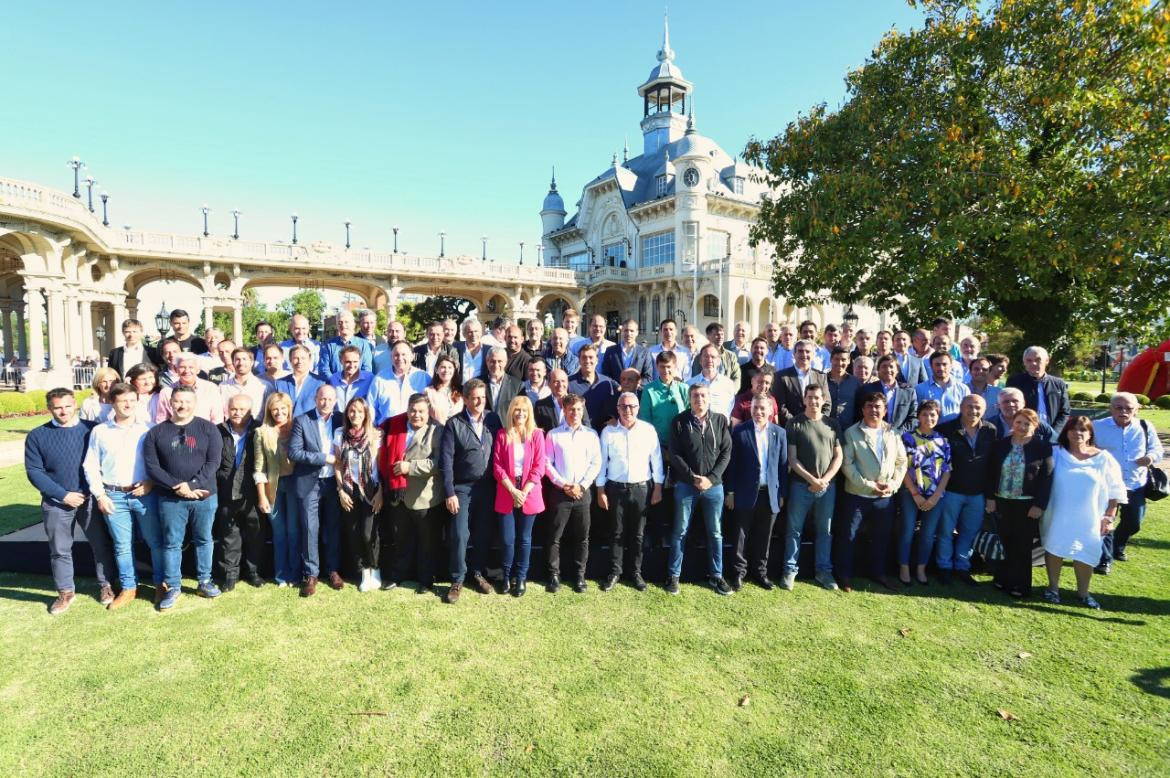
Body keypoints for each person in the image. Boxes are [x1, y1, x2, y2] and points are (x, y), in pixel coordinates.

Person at [25, 388, 117, 615]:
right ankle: (65, 591)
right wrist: (63, 494)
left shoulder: (92, 429)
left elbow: (102, 463)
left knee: (101, 544)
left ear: (74, 403)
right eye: (57, 407)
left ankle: (106, 585)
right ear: (49, 408)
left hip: (89, 499)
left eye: (67, 405)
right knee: (59, 549)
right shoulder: (37, 435)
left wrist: (89, 492)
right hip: (57, 502)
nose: (63, 411)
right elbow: (35, 471)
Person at [143, 384, 224, 609]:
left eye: (187, 401)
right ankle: (173, 587)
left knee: (204, 539)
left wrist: (193, 484)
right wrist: (178, 486)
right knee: (172, 543)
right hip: (171, 499)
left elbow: (213, 462)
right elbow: (152, 467)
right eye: (178, 401)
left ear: (195, 403)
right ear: (170, 403)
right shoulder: (156, 433)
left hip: (204, 496)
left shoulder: (208, 429)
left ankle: (204, 581)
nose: (182, 405)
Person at [84, 383, 160, 609]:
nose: (128, 405)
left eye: (132, 400)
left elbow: (159, 462)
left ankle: (161, 584)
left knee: (156, 542)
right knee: (122, 545)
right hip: (113, 496)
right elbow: (90, 466)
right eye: (122, 400)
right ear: (112, 402)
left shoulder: (149, 428)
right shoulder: (100, 431)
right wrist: (100, 495)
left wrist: (151, 482)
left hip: (145, 494)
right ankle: (129, 587)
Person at [1040, 416, 1125, 609]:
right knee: (1055, 547)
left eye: (1083, 430)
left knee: (1085, 550)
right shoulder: (1056, 453)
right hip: (1058, 512)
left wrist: (1109, 516)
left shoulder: (1104, 458)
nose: (1077, 433)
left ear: (1090, 434)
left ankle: (1083, 593)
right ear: (1066, 432)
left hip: (1090, 515)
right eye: (1073, 429)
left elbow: (1116, 490)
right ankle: (1053, 588)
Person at [440, 379, 504, 602]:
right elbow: (446, 461)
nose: (479, 402)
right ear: (465, 399)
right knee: (459, 534)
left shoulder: (493, 419)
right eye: (474, 397)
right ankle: (457, 578)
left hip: (488, 487)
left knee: (483, 533)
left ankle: (477, 573)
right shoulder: (453, 423)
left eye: (482, 397)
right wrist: (449, 492)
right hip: (462, 488)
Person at [667, 383, 733, 596]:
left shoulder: (720, 420)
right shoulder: (679, 421)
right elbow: (674, 454)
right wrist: (692, 477)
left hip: (714, 488)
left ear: (709, 398)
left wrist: (711, 478)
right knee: (680, 531)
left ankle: (716, 576)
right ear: (689, 398)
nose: (699, 399)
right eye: (695, 396)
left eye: (703, 395)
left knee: (715, 533)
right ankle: (673, 575)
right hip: (687, 486)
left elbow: (726, 452)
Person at [839, 392, 908, 592]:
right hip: (857, 495)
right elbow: (847, 464)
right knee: (848, 537)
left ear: (885, 410)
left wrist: (893, 485)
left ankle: (878, 573)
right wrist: (870, 485)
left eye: (878, 406)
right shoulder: (852, 433)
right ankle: (844, 575)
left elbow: (901, 462)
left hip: (885, 497)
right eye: (869, 406)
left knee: (882, 537)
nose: (874, 410)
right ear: (863, 409)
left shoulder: (893, 432)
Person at [596, 391, 663, 591]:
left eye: (632, 406)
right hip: (615, 488)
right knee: (616, 532)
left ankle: (635, 573)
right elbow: (601, 463)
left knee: (638, 534)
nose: (627, 410)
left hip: (642, 488)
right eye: (623, 406)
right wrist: (600, 490)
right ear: (617, 409)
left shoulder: (648, 430)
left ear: (638, 408)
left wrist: (658, 486)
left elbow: (656, 461)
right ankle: (615, 572)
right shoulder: (608, 432)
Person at [985, 408, 1054, 598]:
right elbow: (990, 474)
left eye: (1027, 423)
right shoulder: (1000, 445)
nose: (1022, 427)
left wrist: (1039, 505)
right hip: (1002, 501)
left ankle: (1020, 584)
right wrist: (990, 498)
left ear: (1035, 426)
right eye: (1018, 422)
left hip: (1027, 504)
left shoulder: (1042, 447)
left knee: (1022, 546)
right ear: (1012, 423)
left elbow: (1047, 478)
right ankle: (1001, 579)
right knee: (1004, 542)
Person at [380, 393, 443, 592]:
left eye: (421, 411)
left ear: (428, 412)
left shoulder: (437, 430)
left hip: (424, 496)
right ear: (407, 411)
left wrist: (411, 467)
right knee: (400, 539)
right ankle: (398, 575)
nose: (417, 415)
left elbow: (438, 462)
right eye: (413, 411)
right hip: (398, 495)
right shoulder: (394, 427)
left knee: (427, 541)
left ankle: (425, 580)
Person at [782, 385, 843, 590]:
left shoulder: (832, 424)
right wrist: (811, 479)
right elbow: (792, 458)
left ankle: (823, 572)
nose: (814, 401)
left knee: (824, 531)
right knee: (794, 530)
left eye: (818, 397)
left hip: (828, 487)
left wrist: (824, 479)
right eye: (810, 397)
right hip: (801, 486)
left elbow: (838, 456)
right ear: (804, 399)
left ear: (823, 399)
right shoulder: (794, 423)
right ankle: (790, 571)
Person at [1093, 392, 1163, 569]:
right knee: (1106, 520)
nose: (1123, 411)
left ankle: (1118, 545)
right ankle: (1104, 559)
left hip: (1135, 483)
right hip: (1107, 484)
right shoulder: (1097, 426)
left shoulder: (1145, 426)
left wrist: (1150, 457)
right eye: (1119, 407)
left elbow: (1157, 449)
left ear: (1137, 410)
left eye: (1129, 408)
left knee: (1134, 522)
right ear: (1111, 408)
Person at [287, 384, 344, 597]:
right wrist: (324, 458)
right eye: (322, 398)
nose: (326, 402)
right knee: (310, 528)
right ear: (315, 399)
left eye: (330, 399)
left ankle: (333, 570)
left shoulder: (341, 419)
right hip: (309, 482)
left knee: (332, 528)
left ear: (335, 401)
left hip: (333, 482)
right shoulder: (303, 420)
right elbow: (294, 452)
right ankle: (311, 574)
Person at [725, 395, 787, 591]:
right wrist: (731, 492)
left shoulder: (780, 433)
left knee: (764, 536)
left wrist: (782, 494)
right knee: (740, 536)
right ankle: (738, 574)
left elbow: (783, 467)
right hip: (744, 493)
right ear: (750, 409)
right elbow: (732, 465)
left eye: (762, 408)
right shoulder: (739, 431)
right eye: (755, 408)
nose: (758, 412)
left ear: (770, 411)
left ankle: (760, 573)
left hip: (770, 494)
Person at [935, 394, 998, 585]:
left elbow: (992, 465)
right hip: (951, 490)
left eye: (978, 407)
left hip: (977, 493)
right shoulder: (946, 429)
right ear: (961, 407)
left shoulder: (990, 430)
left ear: (984, 410)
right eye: (969, 406)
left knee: (969, 532)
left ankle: (962, 567)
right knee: (945, 531)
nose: (974, 411)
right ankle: (944, 567)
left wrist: (990, 496)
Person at [543, 394, 602, 593]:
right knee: (554, 536)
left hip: (583, 493)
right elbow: (547, 463)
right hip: (560, 493)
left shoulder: (591, 435)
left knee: (582, 537)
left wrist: (582, 485)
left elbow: (596, 463)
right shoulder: (553, 434)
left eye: (578, 409)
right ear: (564, 410)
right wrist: (563, 484)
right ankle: (553, 576)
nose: (575, 413)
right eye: (571, 409)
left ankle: (579, 576)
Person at [492, 396, 546, 597]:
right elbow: (497, 467)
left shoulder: (537, 435)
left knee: (524, 539)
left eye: (524, 410)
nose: (520, 414)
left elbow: (539, 466)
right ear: (511, 412)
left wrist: (523, 491)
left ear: (529, 413)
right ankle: (506, 576)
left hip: (529, 491)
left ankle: (521, 577)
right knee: (507, 539)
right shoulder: (502, 434)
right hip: (507, 489)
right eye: (517, 410)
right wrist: (513, 490)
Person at [897, 400, 951, 586]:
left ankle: (921, 568)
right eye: (925, 414)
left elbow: (947, 470)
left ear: (938, 417)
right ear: (919, 416)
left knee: (928, 534)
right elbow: (902, 467)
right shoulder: (907, 438)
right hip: (911, 493)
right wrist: (915, 493)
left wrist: (936, 496)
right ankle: (904, 568)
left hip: (935, 496)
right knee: (907, 531)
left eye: (933, 415)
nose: (929, 418)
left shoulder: (943, 441)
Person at [214, 393, 263, 591]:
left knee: (255, 535)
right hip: (226, 491)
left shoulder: (259, 430)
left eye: (242, 409)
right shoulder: (218, 431)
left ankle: (254, 572)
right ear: (228, 409)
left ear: (250, 411)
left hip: (252, 491)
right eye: (234, 409)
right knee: (228, 536)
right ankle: (230, 575)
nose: (238, 413)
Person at [334, 397, 384, 592]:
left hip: (371, 489)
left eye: (360, 412)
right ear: (347, 412)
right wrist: (340, 490)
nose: (355, 415)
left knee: (368, 533)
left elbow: (379, 466)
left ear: (366, 415)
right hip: (349, 488)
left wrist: (381, 492)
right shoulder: (340, 434)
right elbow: (338, 464)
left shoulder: (375, 435)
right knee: (354, 533)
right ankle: (364, 572)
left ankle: (376, 569)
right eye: (352, 411)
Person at [253, 392, 299, 587]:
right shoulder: (261, 432)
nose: (279, 413)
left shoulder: (298, 427)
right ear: (269, 411)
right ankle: (281, 575)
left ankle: (296, 575)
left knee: (294, 531)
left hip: (296, 486)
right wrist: (262, 496)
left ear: (289, 408)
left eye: (283, 408)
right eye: (275, 409)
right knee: (279, 533)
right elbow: (259, 468)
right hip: (274, 487)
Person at [1006, 346, 1071, 437]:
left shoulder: (1058, 384)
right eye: (1029, 360)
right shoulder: (1015, 382)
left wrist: (1054, 432)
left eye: (1038, 359)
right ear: (1024, 362)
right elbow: (1011, 408)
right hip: (1024, 433)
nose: (1033, 363)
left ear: (1047, 361)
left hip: (1052, 434)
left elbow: (1064, 412)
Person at [367, 340, 431, 424]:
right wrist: (373, 429)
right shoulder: (379, 379)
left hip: (415, 432)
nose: (400, 358)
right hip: (386, 431)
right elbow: (370, 407)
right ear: (391, 357)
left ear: (412, 356)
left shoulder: (424, 377)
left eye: (404, 354)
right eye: (396, 355)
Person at [156, 352, 224, 424]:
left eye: (191, 367)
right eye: (182, 367)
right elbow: (162, 421)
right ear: (176, 369)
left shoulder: (211, 388)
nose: (187, 371)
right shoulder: (167, 392)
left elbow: (217, 419)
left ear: (198, 370)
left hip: (205, 433)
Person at [772, 339, 830, 424]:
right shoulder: (781, 377)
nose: (804, 354)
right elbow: (781, 407)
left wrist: (817, 422)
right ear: (794, 354)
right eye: (800, 351)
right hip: (792, 428)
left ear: (813, 355)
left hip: (816, 426)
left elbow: (826, 404)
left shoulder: (821, 377)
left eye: (808, 351)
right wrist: (796, 424)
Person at [858, 354, 918, 432]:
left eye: (891, 366)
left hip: (900, 438)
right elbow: (860, 415)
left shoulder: (908, 392)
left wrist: (899, 433)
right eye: (884, 366)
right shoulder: (867, 390)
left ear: (897, 370)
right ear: (878, 370)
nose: (888, 370)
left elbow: (913, 418)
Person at [569, 344, 619, 432]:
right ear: (579, 360)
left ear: (597, 360)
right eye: (584, 357)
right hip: (578, 434)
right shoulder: (570, 383)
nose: (587, 361)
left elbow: (614, 408)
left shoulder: (607, 383)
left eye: (591, 357)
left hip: (603, 433)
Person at [915, 351, 969, 423]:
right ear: (931, 366)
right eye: (937, 364)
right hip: (931, 432)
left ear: (951, 365)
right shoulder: (920, 389)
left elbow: (967, 412)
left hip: (955, 432)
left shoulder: (963, 389)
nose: (941, 368)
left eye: (944, 364)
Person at [687, 344, 737, 419]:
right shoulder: (690, 384)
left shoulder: (728, 384)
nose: (709, 360)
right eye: (706, 356)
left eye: (713, 357)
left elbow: (730, 408)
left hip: (720, 427)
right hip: (696, 427)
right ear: (700, 360)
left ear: (719, 361)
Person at [220, 347, 273, 418]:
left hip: (257, 428)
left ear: (252, 362)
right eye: (237, 360)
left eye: (244, 359)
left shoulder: (264, 386)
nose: (241, 363)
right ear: (233, 362)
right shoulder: (223, 387)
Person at [275, 344, 326, 418]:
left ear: (309, 359)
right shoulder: (280, 383)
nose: (299, 361)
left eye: (303, 358)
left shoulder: (320, 383)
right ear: (290, 360)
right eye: (296, 358)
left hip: (309, 426)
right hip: (285, 427)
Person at [318, 310, 373, 376]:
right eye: (340, 322)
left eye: (346, 322)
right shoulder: (328, 345)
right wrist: (337, 383)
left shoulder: (363, 344)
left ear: (353, 324)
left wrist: (355, 383)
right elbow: (323, 369)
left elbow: (367, 369)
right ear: (337, 326)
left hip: (358, 385)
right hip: (333, 385)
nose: (343, 325)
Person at [602, 319, 654, 384]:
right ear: (621, 332)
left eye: (632, 331)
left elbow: (648, 377)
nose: (628, 334)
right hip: (615, 392)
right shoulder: (610, 351)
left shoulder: (644, 352)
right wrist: (618, 387)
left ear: (637, 332)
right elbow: (606, 375)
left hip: (636, 392)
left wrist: (633, 385)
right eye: (626, 330)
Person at [327, 344, 374, 410]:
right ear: (341, 361)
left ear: (359, 361)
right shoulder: (333, 379)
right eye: (348, 362)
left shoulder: (370, 379)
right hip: (338, 419)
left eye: (355, 362)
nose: (352, 365)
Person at [826, 347, 861, 426]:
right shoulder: (822, 380)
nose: (840, 363)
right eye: (836, 359)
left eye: (843, 360)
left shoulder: (855, 382)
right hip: (825, 427)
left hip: (848, 429)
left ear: (849, 361)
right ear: (831, 359)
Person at [482, 346, 521, 416]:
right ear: (487, 361)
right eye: (492, 361)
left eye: (500, 361)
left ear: (505, 362)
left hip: (507, 426)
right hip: (484, 425)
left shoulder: (517, 385)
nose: (496, 365)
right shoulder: (478, 383)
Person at [425, 355, 464, 424]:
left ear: (454, 370)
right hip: (436, 431)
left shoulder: (461, 390)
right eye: (443, 367)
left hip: (457, 431)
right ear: (436, 370)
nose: (446, 370)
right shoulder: (428, 392)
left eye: (450, 367)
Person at [454, 318, 488, 385]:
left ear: (481, 332)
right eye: (470, 332)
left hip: (480, 391)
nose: (473, 334)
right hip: (460, 390)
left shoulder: (488, 350)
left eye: (476, 331)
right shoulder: (456, 348)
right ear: (464, 334)